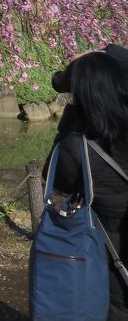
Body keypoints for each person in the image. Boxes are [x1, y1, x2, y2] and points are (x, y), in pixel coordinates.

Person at [46, 50, 128, 320]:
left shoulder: (77, 146)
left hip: (109, 244)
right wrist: (109, 52)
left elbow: (54, 177)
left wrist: (71, 111)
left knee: (115, 306)